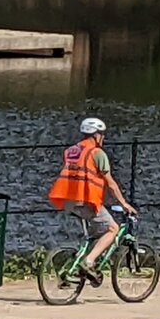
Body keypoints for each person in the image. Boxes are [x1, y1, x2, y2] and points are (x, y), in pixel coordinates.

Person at [46, 117, 136, 284]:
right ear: (97, 135)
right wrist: (124, 203)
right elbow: (110, 183)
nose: (103, 137)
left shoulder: (73, 151)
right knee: (113, 229)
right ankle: (88, 262)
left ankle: (77, 267)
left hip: (68, 199)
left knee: (95, 233)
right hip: (86, 199)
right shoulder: (97, 153)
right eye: (102, 134)